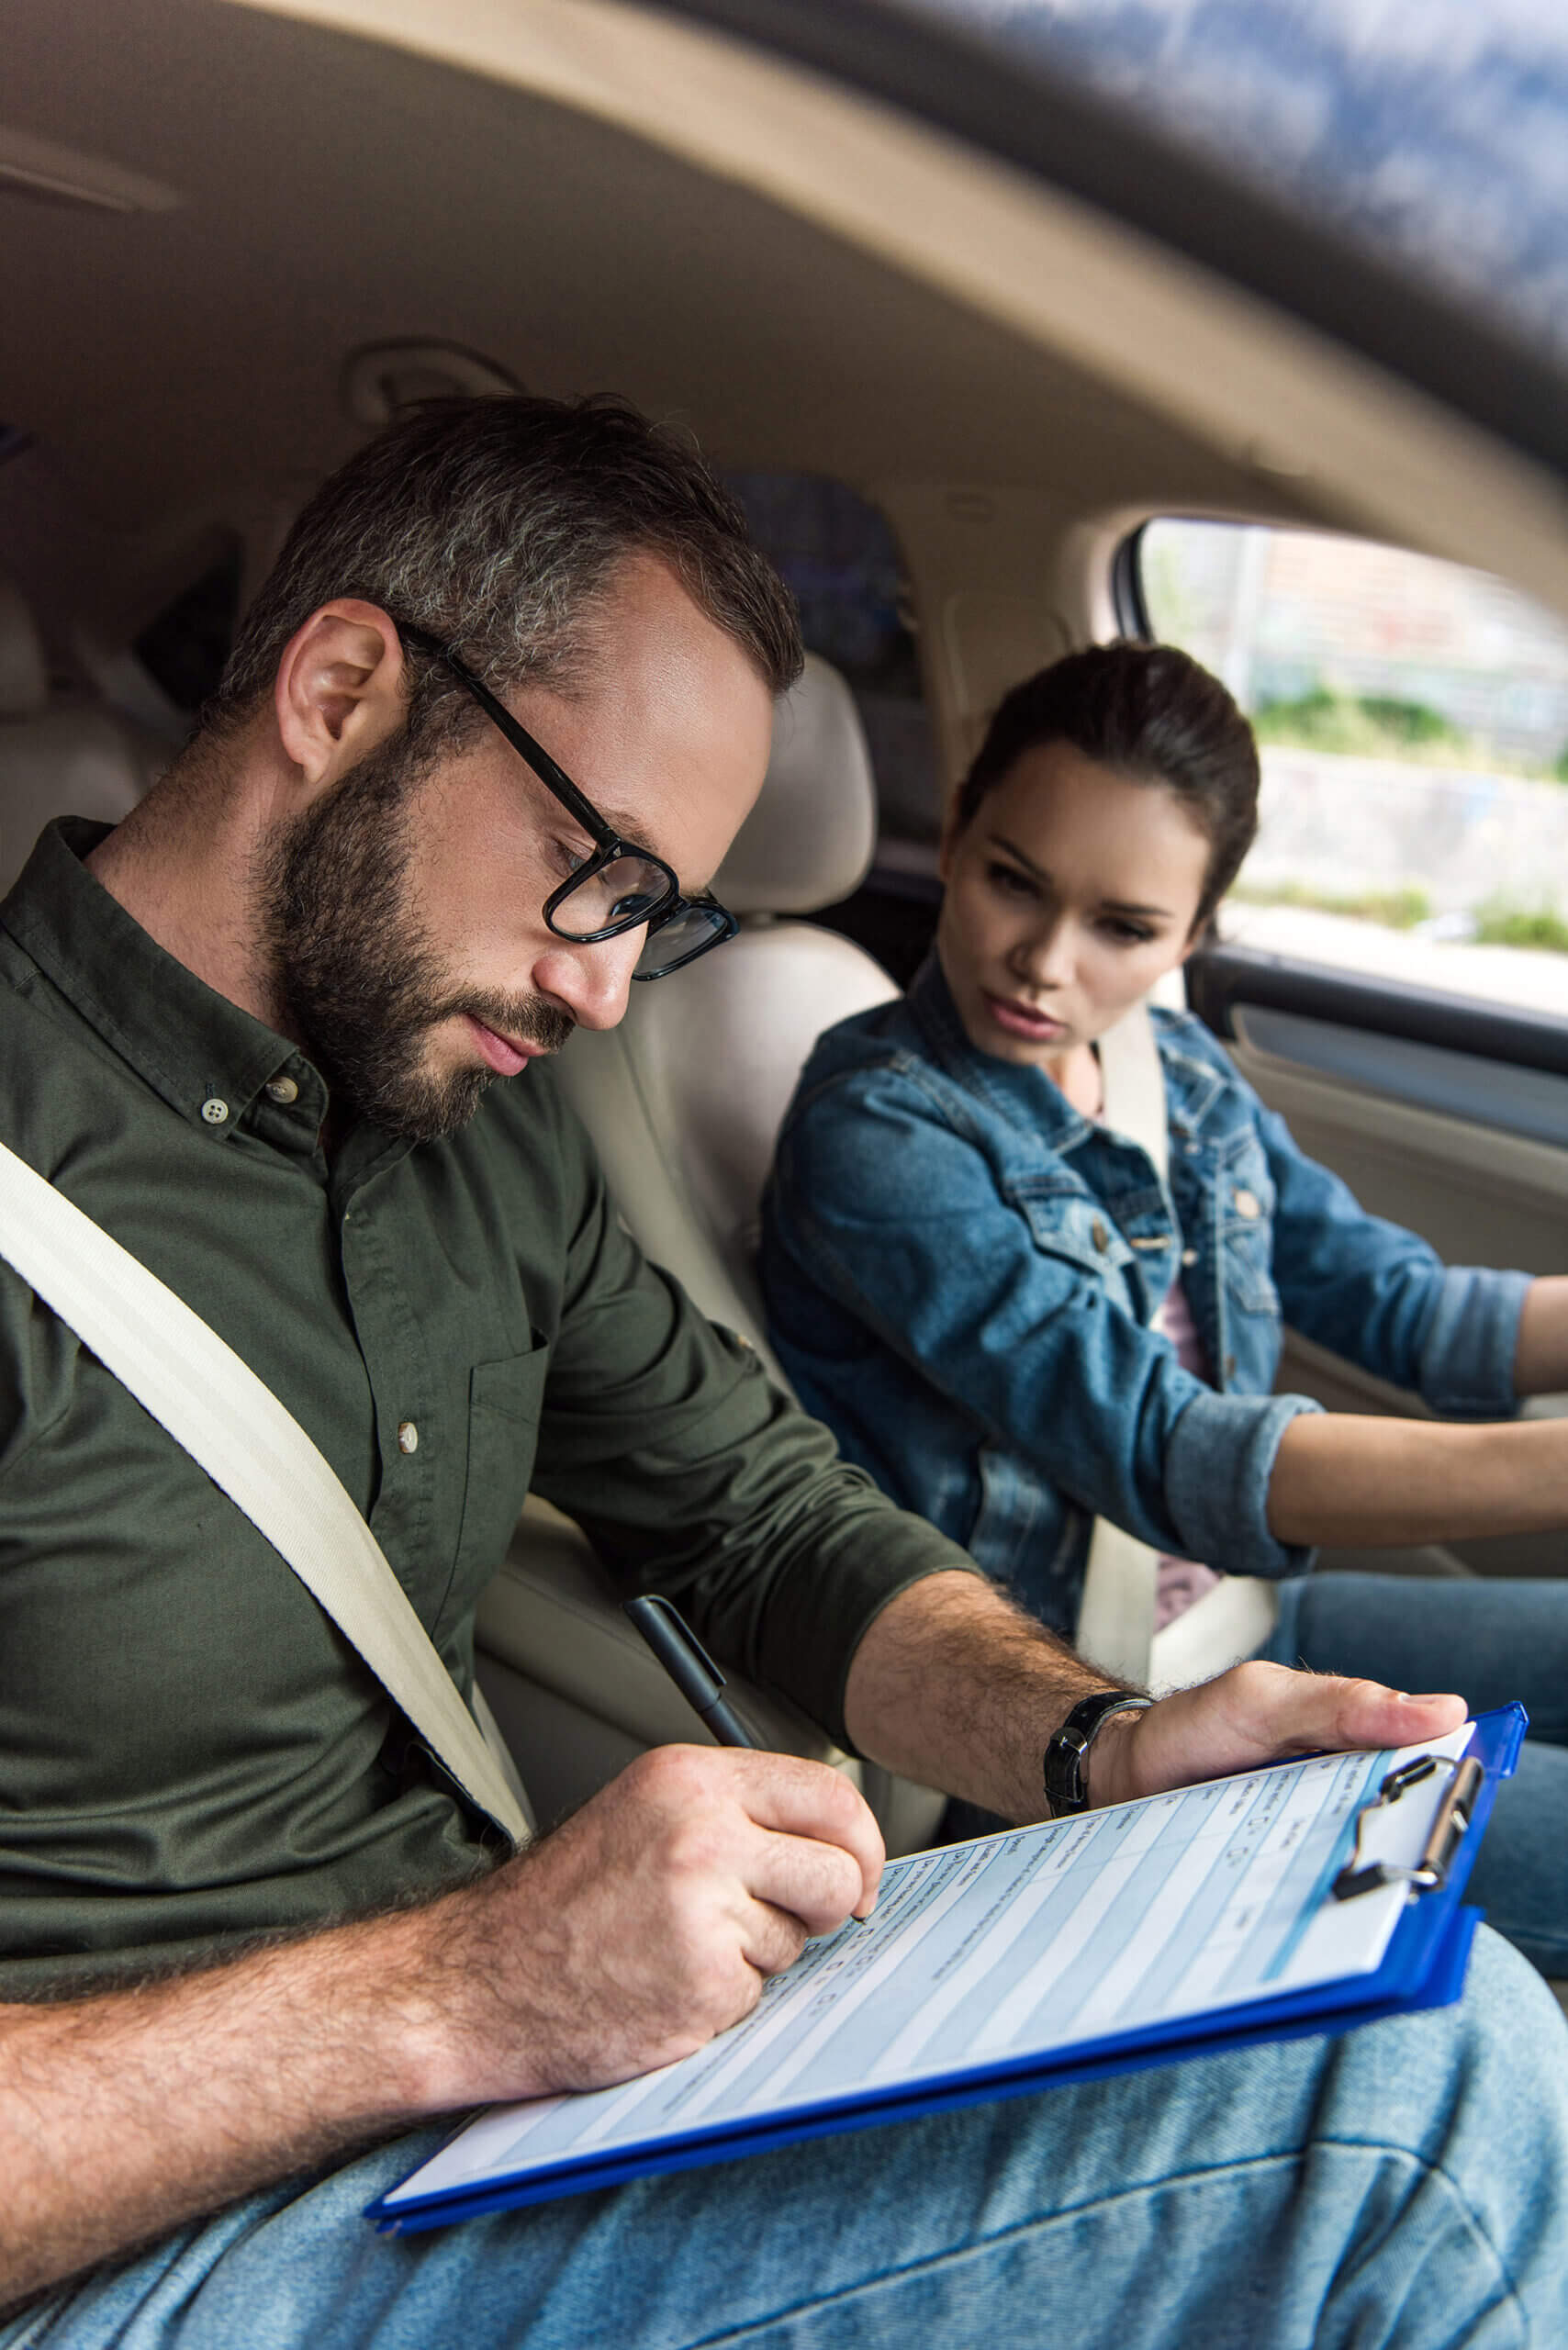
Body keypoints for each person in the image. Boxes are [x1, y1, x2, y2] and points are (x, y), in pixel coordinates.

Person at [0, 405, 1563, 2349]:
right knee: (1406, 2114)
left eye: (661, 922)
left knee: (1387, 1970)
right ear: (339, 690)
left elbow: (762, 1512)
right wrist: (461, 1987)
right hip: (145, 2253)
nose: (596, 990)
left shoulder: (480, 1128)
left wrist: (1094, 1745)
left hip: (500, 2107)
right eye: (598, 875)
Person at [761, 640, 1568, 1975]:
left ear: (1193, 937)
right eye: (1014, 882)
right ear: (956, 836)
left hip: (1255, 1630)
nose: (1043, 962)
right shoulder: (878, 1131)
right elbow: (1169, 1452)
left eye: (1123, 928)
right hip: (1083, 1712)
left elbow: (1400, 1304)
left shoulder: (1176, 1070)